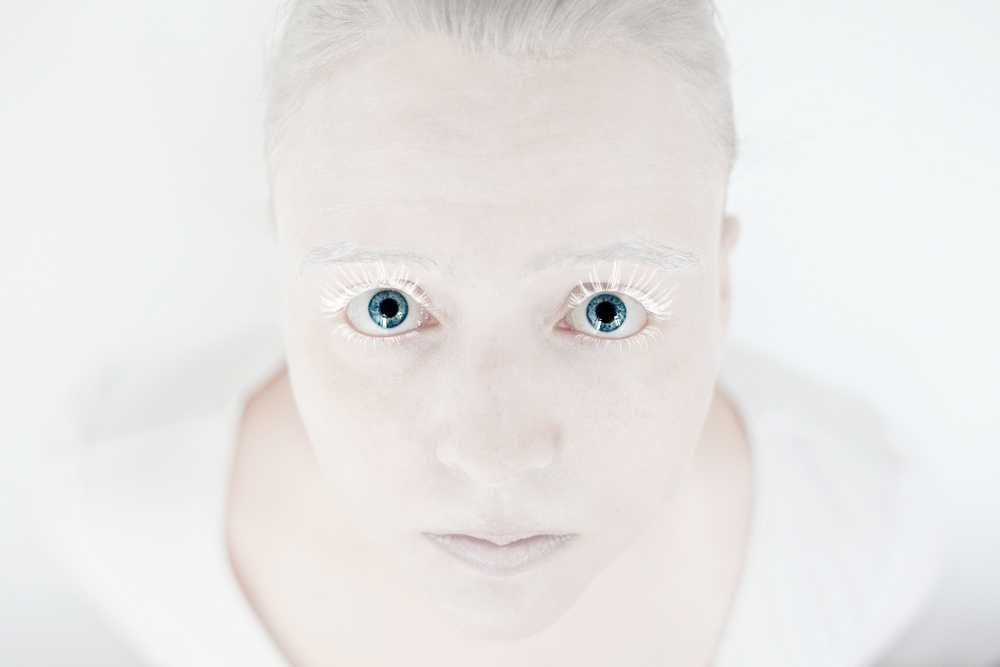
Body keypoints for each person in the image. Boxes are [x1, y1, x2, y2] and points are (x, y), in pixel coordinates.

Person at [38, 0, 941, 665]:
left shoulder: (858, 537)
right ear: (282, 280)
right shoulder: (124, 515)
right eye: (387, 305)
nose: (494, 456)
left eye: (607, 308)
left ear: (724, 284)